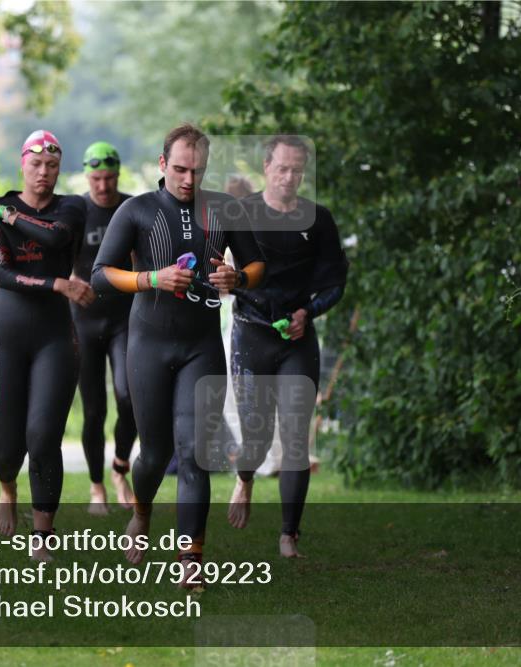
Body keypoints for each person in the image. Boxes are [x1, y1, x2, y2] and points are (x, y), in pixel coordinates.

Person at [91, 123, 265, 587]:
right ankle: (142, 513)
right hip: (147, 344)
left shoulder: (223, 209)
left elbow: (255, 265)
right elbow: (101, 275)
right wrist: (152, 279)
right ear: (163, 164)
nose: (189, 179)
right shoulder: (137, 210)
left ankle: (191, 558)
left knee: (195, 453)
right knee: (154, 454)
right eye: (181, 169)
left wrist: (237, 279)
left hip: (201, 347)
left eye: (198, 170)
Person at [0, 130, 93, 562]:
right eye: (37, 164)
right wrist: (56, 282)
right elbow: (3, 276)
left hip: (54, 338)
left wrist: (4, 214)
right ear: (23, 163)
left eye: (53, 166)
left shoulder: (71, 207)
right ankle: (7, 486)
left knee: (44, 437)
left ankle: (43, 534)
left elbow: (56, 239)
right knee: (7, 450)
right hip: (3, 337)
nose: (44, 173)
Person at [226, 134, 348, 558]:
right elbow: (219, 268)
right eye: (282, 168)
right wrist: (223, 277)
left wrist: (307, 314)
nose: (290, 176)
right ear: (267, 167)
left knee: (296, 433)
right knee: (257, 439)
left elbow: (336, 283)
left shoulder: (318, 220)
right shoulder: (241, 213)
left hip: (296, 337)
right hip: (251, 333)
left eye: (298, 170)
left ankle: (289, 535)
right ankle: (245, 479)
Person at [71, 141, 138, 516]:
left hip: (124, 319)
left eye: (109, 177)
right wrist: (68, 279)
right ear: (87, 175)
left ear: (118, 175)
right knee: (94, 409)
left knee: (130, 398)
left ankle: (120, 467)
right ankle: (97, 486)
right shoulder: (77, 210)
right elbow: (59, 258)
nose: (103, 186)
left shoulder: (131, 208)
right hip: (84, 319)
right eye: (96, 178)